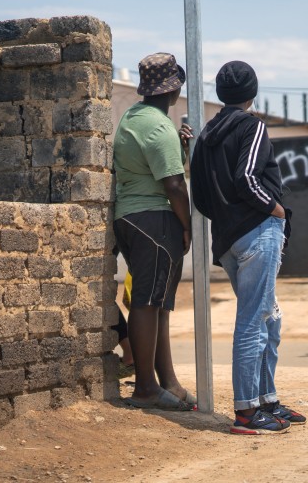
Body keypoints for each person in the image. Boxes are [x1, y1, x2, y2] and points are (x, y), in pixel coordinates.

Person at [190, 60, 304, 435]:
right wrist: (278, 210)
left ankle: (267, 400)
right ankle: (245, 412)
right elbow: (248, 178)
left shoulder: (207, 134)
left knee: (270, 317)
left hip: (227, 240)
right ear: (252, 93)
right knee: (254, 321)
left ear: (221, 94)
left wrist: (228, 219)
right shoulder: (252, 125)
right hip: (257, 233)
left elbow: (202, 197)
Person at [113, 52, 194, 411]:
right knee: (148, 303)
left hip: (130, 218)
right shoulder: (160, 128)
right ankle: (145, 387)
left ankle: (169, 384)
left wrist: (181, 147)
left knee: (156, 302)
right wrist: (187, 227)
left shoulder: (135, 116)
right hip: (154, 218)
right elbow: (174, 185)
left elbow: (156, 164)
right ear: (174, 89)